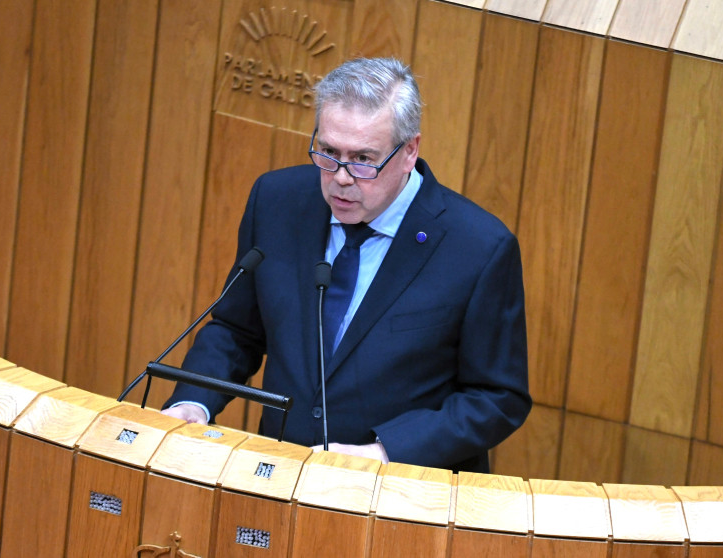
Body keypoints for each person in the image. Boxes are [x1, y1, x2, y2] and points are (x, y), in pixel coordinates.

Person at [162, 57, 530, 473]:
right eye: (328, 152)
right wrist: (193, 402)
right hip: (278, 478)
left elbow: (497, 397)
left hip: (399, 499)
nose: (340, 177)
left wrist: (387, 452)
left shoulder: (478, 248)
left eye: (362, 159)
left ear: (409, 151)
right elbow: (237, 329)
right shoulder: (278, 201)